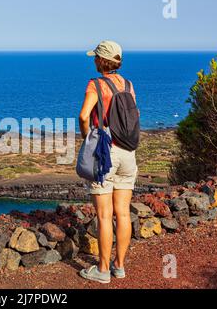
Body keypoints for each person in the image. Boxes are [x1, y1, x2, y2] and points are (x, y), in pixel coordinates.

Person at [78, 41, 138, 284]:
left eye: (95, 58)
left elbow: (84, 115)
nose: (93, 61)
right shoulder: (129, 85)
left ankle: (102, 270)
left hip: (106, 151)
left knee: (104, 215)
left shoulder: (96, 84)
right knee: (122, 213)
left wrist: (87, 137)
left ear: (101, 61)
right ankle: (119, 266)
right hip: (128, 154)